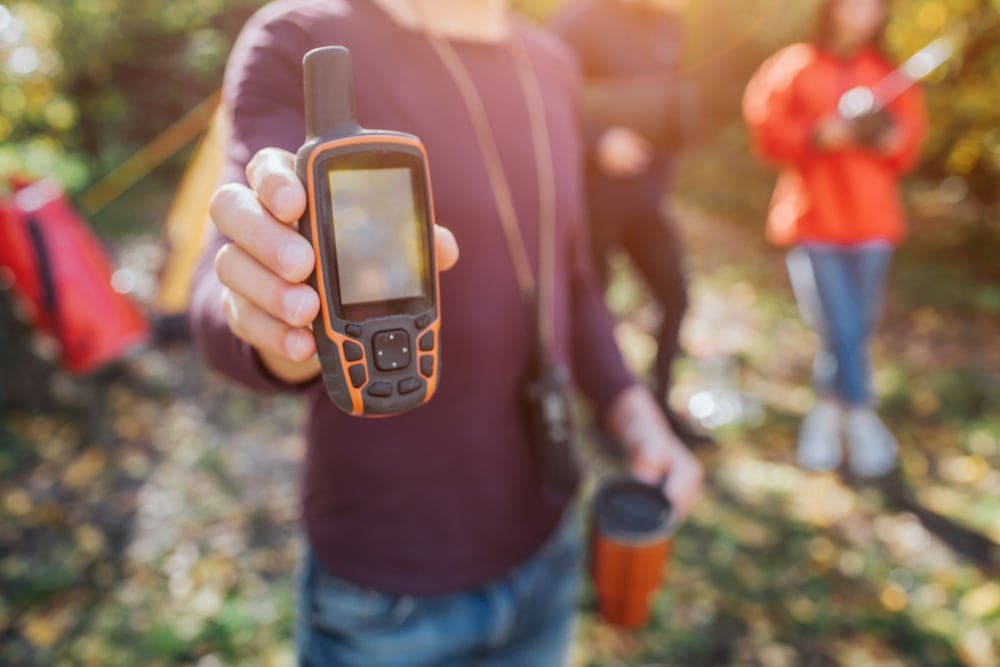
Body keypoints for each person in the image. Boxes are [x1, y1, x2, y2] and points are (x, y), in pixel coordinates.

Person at [189, 0, 703, 664]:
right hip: (387, 590)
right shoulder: (305, 37)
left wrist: (634, 412)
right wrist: (276, 319)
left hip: (549, 544)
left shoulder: (551, 62)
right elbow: (222, 280)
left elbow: (568, 280)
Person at [743, 0, 926, 478]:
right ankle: (861, 415)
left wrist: (890, 139)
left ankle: (826, 414)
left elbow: (909, 142)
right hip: (813, 219)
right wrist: (815, 134)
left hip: (872, 224)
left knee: (852, 330)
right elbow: (766, 129)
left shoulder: (887, 74)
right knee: (839, 326)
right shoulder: (795, 65)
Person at [552, 0, 706, 444]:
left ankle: (659, 402)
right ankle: (607, 416)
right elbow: (544, 94)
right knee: (598, 306)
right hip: (590, 199)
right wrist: (598, 139)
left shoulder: (668, 25)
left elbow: (668, 96)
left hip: (645, 199)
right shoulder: (581, 20)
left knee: (674, 296)